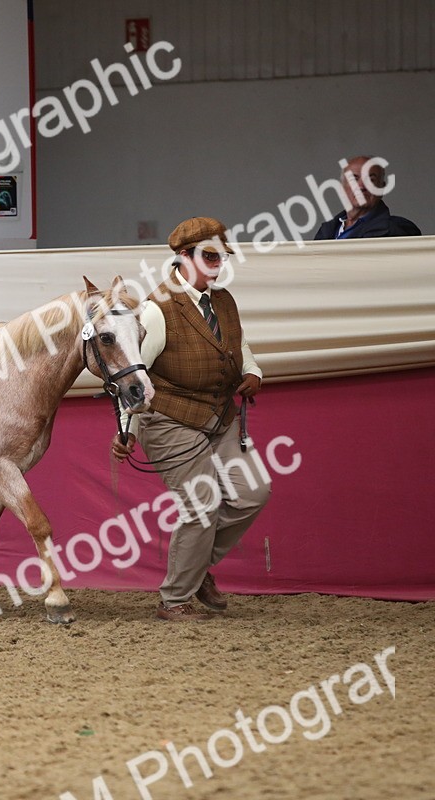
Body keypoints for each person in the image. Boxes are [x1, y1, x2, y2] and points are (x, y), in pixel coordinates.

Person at [112, 216, 270, 622]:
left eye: (222, 256)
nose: (218, 264)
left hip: (220, 415)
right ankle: (175, 599)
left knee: (253, 492)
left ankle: (194, 568)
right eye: (210, 256)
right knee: (202, 505)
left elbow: (238, 343)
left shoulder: (224, 301)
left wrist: (252, 371)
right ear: (184, 257)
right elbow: (133, 376)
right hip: (168, 418)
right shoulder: (156, 308)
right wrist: (125, 432)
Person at [313, 156, 421, 240]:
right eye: (354, 179)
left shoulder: (398, 230)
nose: (361, 186)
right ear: (342, 189)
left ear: (381, 188)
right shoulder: (327, 230)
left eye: (370, 180)